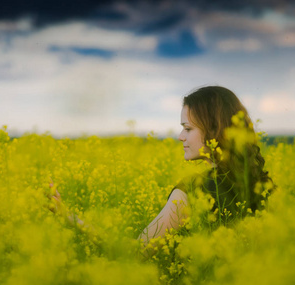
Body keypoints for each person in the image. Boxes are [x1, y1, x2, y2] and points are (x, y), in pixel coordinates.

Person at [48, 86, 274, 251]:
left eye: (188, 128)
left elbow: (134, 253)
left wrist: (67, 216)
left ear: (214, 129)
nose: (180, 136)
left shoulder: (192, 191)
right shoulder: (264, 185)